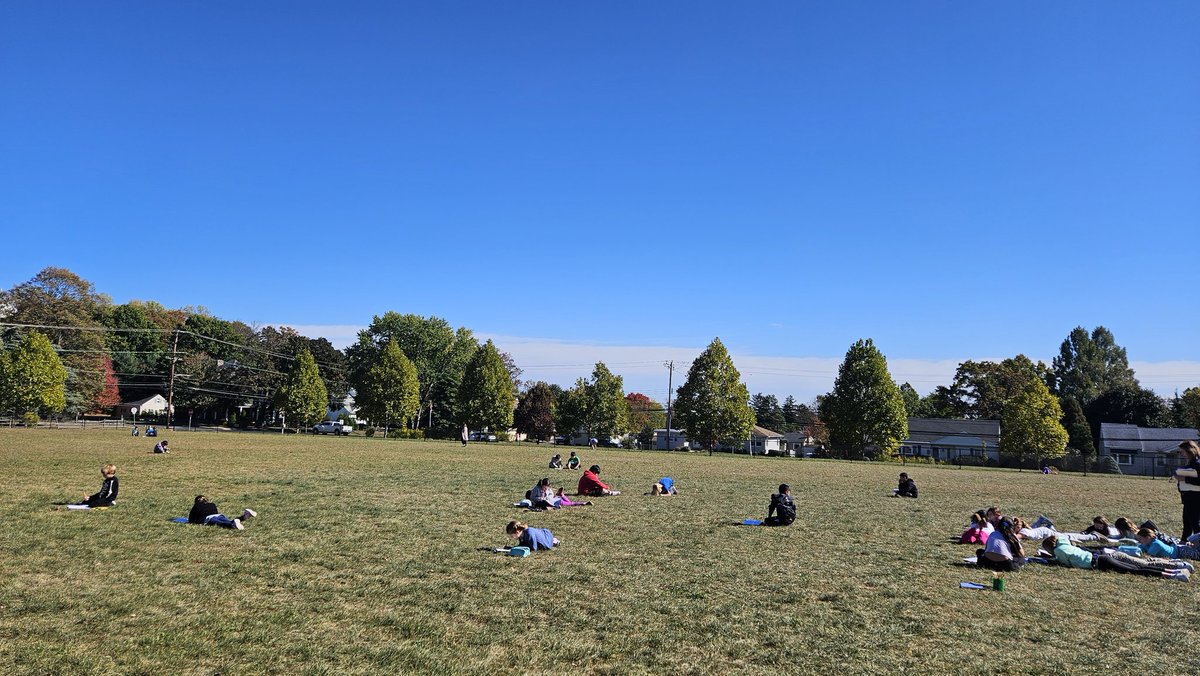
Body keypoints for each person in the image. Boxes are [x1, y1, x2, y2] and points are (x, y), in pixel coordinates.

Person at [1043, 534, 1191, 582]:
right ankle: (1176, 569)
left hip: (1101, 561)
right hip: (1102, 556)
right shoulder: (1066, 545)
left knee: (1137, 569)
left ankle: (1174, 573)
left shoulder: (1059, 551)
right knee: (1141, 565)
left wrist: (1050, 559)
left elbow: (1066, 563)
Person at [1175, 440, 1200, 540]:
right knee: (1187, 523)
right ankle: (1183, 543)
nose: (1181, 454)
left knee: (1195, 524)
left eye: (1182, 452)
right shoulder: (1191, 463)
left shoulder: (1197, 464)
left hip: (1195, 498)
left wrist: (1184, 479)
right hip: (1188, 498)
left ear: (1190, 451)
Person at [188, 495, 257, 530]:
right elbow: (215, 512)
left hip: (209, 519)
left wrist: (194, 522)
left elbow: (191, 518)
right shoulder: (212, 504)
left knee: (221, 524)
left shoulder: (197, 505)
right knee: (229, 521)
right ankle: (244, 516)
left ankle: (232, 526)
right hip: (219, 515)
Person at [1136, 528, 1200, 560]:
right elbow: (1139, 548)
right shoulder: (1148, 542)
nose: (1139, 541)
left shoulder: (1156, 544)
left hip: (1181, 552)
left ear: (1147, 537)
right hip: (1178, 549)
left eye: (1140, 539)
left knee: (1198, 554)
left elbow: (1148, 556)